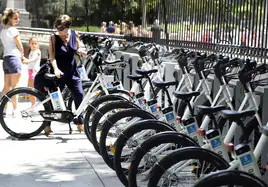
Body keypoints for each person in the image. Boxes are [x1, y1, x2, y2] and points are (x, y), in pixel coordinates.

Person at [46, 14, 86, 136]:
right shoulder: (53, 38)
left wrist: (81, 51)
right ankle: (47, 125)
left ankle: (80, 123)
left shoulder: (74, 34)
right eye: (57, 28)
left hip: (73, 72)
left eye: (61, 28)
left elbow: (80, 48)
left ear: (68, 27)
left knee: (79, 96)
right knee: (53, 100)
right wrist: (56, 69)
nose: (59, 31)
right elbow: (52, 57)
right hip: (59, 73)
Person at [0, 9, 23, 115]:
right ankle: (15, 110)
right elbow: (19, 44)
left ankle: (3, 109)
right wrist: (22, 55)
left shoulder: (3, 31)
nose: (17, 20)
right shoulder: (13, 30)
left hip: (6, 59)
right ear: (9, 18)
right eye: (15, 18)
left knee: (7, 86)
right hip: (14, 58)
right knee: (15, 87)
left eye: (18, 18)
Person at [22, 38, 41, 105]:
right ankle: (33, 105)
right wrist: (23, 57)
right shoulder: (32, 51)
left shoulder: (37, 51)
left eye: (35, 43)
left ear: (37, 44)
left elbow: (32, 59)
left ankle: (33, 105)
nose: (34, 45)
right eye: (32, 43)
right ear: (29, 44)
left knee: (31, 89)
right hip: (31, 71)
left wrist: (26, 61)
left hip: (34, 72)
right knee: (30, 89)